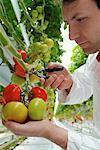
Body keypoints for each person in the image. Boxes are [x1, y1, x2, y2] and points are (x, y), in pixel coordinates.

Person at [2, 0, 100, 149]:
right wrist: (69, 82)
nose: (71, 36)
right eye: (67, 24)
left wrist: (51, 131)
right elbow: (89, 81)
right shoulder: (95, 58)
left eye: (80, 19)